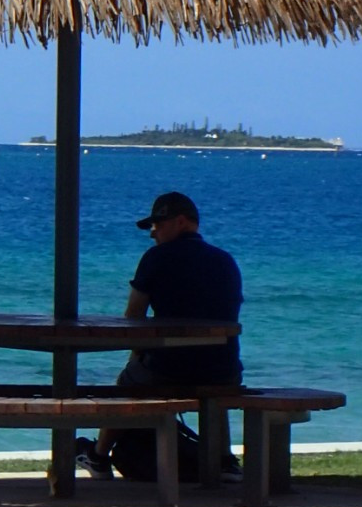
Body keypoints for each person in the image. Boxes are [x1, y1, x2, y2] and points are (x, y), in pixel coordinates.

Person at [78, 190, 242, 478]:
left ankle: (99, 456)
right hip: (224, 370)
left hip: (169, 370)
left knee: (127, 381)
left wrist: (138, 355)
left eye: (158, 224)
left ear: (181, 222)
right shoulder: (225, 261)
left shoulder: (156, 258)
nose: (152, 233)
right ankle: (224, 460)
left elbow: (133, 319)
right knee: (215, 387)